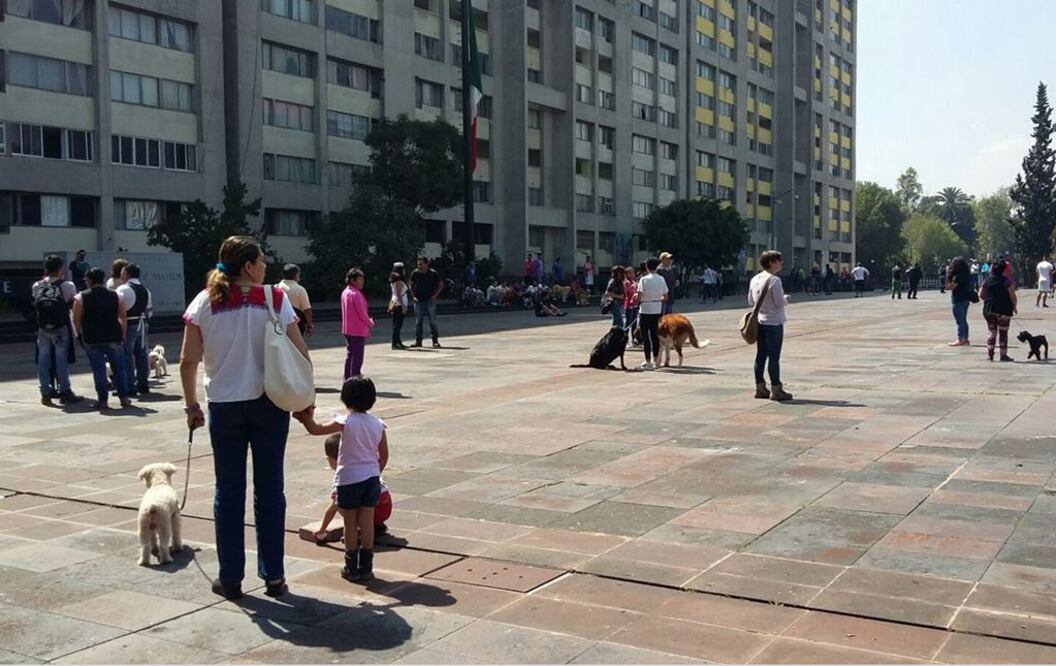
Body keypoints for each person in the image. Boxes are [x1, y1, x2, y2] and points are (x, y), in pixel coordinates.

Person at [180, 235, 309, 600]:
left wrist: (191, 405)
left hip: (224, 407)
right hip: (269, 405)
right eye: (262, 261)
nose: (266, 266)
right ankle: (274, 576)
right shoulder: (275, 299)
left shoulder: (206, 300)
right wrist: (304, 399)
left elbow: (188, 360)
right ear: (249, 266)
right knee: (270, 490)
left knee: (229, 491)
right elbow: (300, 351)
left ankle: (231, 578)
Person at [293, 376, 390, 583]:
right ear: (372, 399)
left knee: (349, 522)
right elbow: (384, 454)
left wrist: (306, 417)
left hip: (349, 479)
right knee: (366, 522)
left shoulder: (346, 421)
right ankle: (366, 566)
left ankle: (351, 565)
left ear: (345, 400)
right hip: (371, 478)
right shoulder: (378, 424)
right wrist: (375, 471)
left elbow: (316, 430)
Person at [72, 267, 131, 410]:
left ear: (90, 280)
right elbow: (122, 316)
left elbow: (76, 319)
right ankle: (124, 398)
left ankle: (103, 400)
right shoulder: (116, 295)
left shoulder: (81, 297)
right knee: (119, 369)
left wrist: (79, 334)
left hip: (92, 338)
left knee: (99, 370)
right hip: (114, 336)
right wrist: (122, 333)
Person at [33, 255, 80, 406]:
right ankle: (65, 390)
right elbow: (71, 302)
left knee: (43, 359)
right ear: (61, 269)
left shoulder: (37, 285)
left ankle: (45, 392)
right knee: (61, 360)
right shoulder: (68, 285)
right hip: (60, 328)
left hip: (43, 327)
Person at [749, 250, 792, 401]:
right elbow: (779, 303)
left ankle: (760, 387)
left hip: (759, 321)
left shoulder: (754, 279)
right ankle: (776, 388)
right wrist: (786, 298)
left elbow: (750, 301)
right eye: (779, 260)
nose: (781, 263)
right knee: (774, 357)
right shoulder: (775, 280)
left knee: (761, 355)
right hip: (774, 322)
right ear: (772, 262)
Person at [116, 263, 152, 395]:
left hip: (129, 323)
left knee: (127, 355)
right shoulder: (145, 289)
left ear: (126, 274)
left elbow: (118, 308)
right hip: (142, 324)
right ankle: (143, 384)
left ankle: (129, 385)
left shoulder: (123, 289)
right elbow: (149, 309)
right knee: (142, 354)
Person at [980, 259, 1018, 362]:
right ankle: (1003, 355)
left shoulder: (987, 280)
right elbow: (1012, 295)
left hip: (989, 309)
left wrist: (989, 300)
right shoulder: (1007, 281)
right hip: (1004, 309)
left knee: (991, 332)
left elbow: (981, 295)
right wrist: (1014, 306)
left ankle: (990, 354)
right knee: (1003, 332)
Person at [341, 268, 374, 379]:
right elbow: (362, 313)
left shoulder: (346, 292)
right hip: (357, 330)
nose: (362, 282)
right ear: (352, 280)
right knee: (357, 356)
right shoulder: (356, 294)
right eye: (359, 279)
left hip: (348, 329)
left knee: (350, 354)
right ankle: (355, 376)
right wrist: (370, 322)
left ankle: (348, 377)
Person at [636, 257, 668, 370]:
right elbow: (666, 296)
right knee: (654, 335)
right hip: (657, 308)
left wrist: (638, 299)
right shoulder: (661, 279)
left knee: (645, 336)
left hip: (645, 309)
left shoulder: (643, 279)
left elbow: (639, 296)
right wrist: (658, 299)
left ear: (646, 267)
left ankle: (648, 360)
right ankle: (656, 360)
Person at [409, 257, 443, 348]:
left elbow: (441, 285)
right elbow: (410, 285)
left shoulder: (433, 273)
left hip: (429, 300)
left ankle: (435, 341)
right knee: (418, 322)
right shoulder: (415, 273)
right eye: (418, 264)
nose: (419, 266)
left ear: (426, 264)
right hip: (419, 300)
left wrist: (435, 295)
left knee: (432, 321)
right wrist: (413, 296)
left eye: (421, 264)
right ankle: (418, 341)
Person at [279, 264, 313, 338]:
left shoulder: (276, 288)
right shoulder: (300, 289)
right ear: (296, 275)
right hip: (296, 324)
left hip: (279, 323)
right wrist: (309, 325)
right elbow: (307, 310)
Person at [946, 256, 973, 347]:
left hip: (958, 299)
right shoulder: (966, 274)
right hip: (966, 299)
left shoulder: (957, 276)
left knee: (959, 320)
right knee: (964, 319)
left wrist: (948, 277)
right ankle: (965, 338)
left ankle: (960, 338)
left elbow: (951, 287)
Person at [388, 263, 409, 349]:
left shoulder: (394, 281)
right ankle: (395, 342)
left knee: (397, 324)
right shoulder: (398, 281)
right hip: (399, 305)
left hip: (396, 303)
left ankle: (398, 341)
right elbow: (399, 294)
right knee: (397, 325)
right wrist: (403, 306)